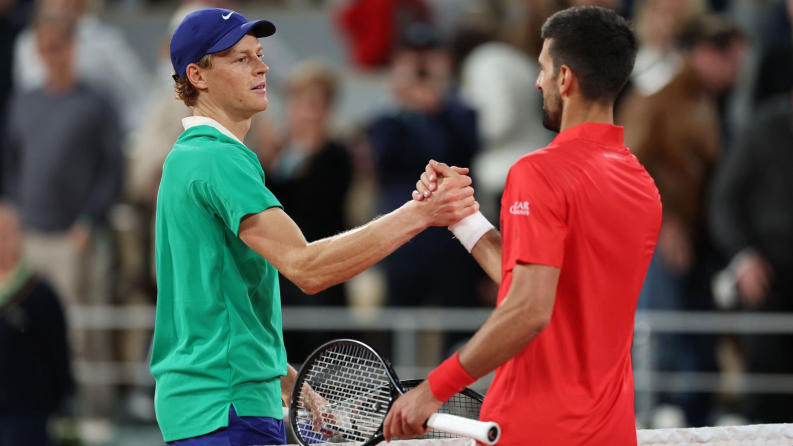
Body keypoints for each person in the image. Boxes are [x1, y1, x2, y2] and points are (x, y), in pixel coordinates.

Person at [151, 8, 478, 445]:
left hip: (206, 405)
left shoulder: (187, 158)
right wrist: (422, 212)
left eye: (260, 54)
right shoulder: (217, 158)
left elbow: (219, 310)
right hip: (227, 409)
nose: (262, 66)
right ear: (198, 75)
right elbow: (307, 268)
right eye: (240, 58)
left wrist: (292, 385)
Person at [384, 6, 661, 445]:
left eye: (543, 69)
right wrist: (462, 216)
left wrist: (433, 390)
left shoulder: (539, 171)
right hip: (609, 433)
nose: (538, 81)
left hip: (534, 430)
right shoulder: (642, 184)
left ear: (565, 78)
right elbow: (539, 286)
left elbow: (529, 309)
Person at [2, 11, 123, 418]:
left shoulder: (96, 101)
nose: (50, 54)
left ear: (72, 48)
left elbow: (112, 168)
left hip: (77, 235)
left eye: (57, 45)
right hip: (32, 235)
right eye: (43, 47)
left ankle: (96, 415)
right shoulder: (24, 101)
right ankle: (53, 414)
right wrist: (16, 218)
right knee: (31, 331)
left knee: (85, 333)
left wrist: (89, 220)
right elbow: (13, 164)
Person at [709, 91, 793, 423]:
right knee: (766, 385)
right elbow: (723, 200)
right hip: (767, 277)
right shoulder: (760, 132)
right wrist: (744, 258)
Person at [0, 205, 73, 446]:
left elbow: (58, 352)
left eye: (6, 234)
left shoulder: (39, 293)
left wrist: (62, 402)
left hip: (27, 414)